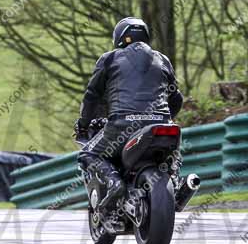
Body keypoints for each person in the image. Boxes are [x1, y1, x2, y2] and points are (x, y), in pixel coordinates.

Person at [75, 17, 183, 212]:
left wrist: (83, 124)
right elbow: (176, 98)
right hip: (162, 124)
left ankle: (114, 181)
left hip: (122, 125)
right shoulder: (162, 59)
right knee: (173, 157)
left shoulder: (109, 58)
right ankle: (175, 182)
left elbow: (92, 95)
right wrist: (167, 119)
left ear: (120, 37)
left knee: (87, 154)